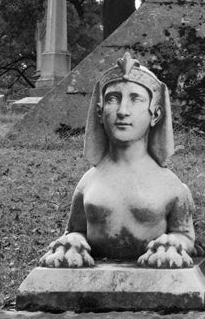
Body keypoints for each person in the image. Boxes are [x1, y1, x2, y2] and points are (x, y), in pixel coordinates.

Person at [40, 52, 196, 268]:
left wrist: (174, 243)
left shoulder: (171, 186)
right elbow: (75, 229)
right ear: (99, 111)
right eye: (113, 99)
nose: (123, 111)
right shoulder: (88, 183)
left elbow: (186, 236)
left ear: (156, 114)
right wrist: (74, 239)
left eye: (136, 99)